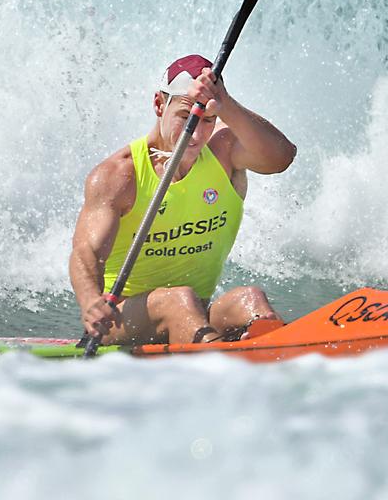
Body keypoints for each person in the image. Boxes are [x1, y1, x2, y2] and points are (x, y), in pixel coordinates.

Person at [69, 54, 297, 345]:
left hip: (196, 314)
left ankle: (281, 361)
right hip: (119, 321)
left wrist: (225, 104)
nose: (196, 133)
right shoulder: (120, 175)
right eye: (185, 117)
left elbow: (281, 157)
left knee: (249, 299)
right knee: (178, 299)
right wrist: (90, 302)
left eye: (208, 120)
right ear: (159, 105)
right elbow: (85, 251)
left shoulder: (224, 154)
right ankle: (221, 369)